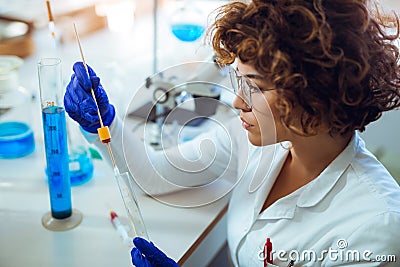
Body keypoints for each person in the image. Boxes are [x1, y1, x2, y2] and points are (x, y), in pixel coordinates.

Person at [64, 0, 400, 266]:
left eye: (254, 85)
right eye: (238, 81)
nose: (238, 101)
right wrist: (103, 125)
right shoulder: (258, 138)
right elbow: (155, 176)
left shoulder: (374, 228)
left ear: (314, 91)